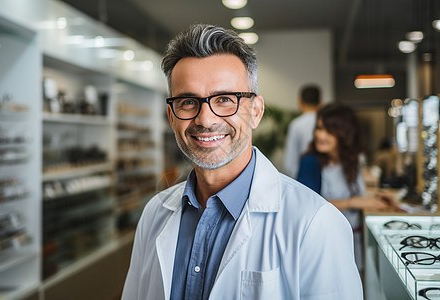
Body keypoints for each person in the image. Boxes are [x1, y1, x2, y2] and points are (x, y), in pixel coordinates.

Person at [121, 24, 363, 300]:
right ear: (171, 116)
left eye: (224, 99)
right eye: (188, 102)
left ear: (256, 111)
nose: (205, 119)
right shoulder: (154, 214)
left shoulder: (316, 223)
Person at [297, 103, 398, 272]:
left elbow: (356, 193)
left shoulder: (354, 160)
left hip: (353, 239)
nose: (320, 135)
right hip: (323, 242)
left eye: (329, 131)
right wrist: (352, 202)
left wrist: (375, 199)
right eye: (319, 128)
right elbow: (307, 206)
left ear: (345, 133)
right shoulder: (311, 162)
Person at [283, 85, 321, 178]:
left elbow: (289, 162)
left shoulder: (296, 124)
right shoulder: (326, 123)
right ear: (320, 103)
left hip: (302, 178)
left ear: (300, 101)